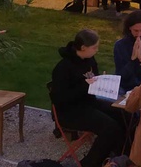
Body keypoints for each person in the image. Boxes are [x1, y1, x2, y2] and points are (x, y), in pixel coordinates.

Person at [51, 29, 126, 167]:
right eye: (95, 47)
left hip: (89, 102)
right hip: (70, 111)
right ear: (83, 48)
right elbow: (60, 99)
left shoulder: (89, 59)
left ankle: (121, 153)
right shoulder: (63, 68)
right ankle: (90, 163)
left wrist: (100, 81)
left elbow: (93, 76)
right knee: (110, 128)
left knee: (123, 113)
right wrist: (84, 86)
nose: (97, 50)